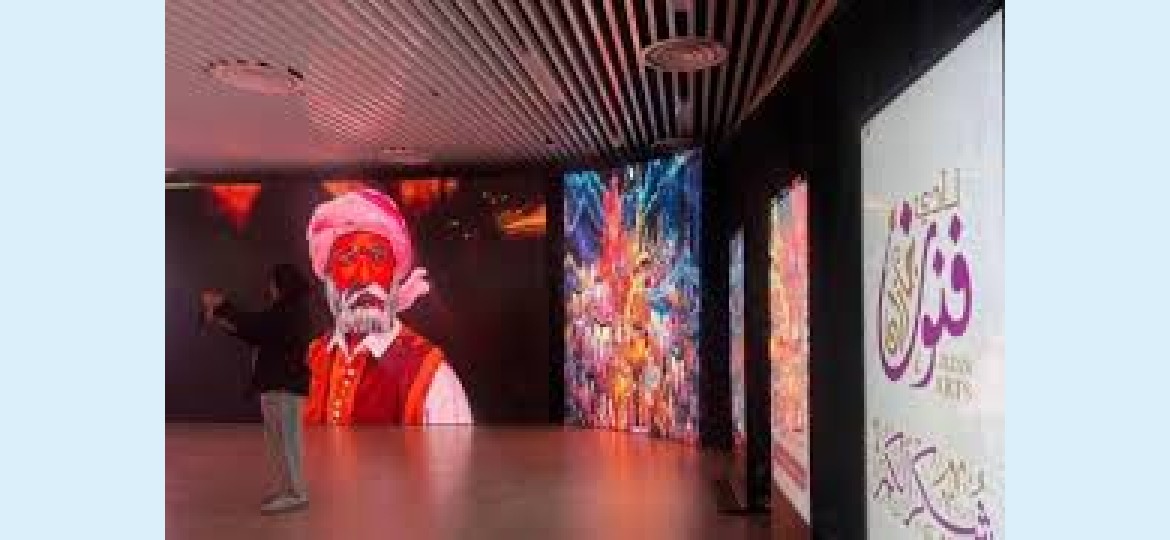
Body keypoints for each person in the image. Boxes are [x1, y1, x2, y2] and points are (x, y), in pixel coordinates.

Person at [304, 188, 473, 425]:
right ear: (328, 274)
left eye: (377, 257)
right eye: (348, 258)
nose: (364, 277)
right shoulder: (314, 358)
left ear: (395, 274)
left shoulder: (430, 375)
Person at [201, 263, 316, 515]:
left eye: (273, 284)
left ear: (283, 285)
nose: (270, 289)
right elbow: (256, 332)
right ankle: (286, 490)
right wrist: (224, 318)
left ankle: (296, 493)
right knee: (278, 443)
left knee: (287, 443)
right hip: (276, 385)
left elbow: (257, 326)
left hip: (284, 386)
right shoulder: (287, 310)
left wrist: (223, 306)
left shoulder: (290, 312)